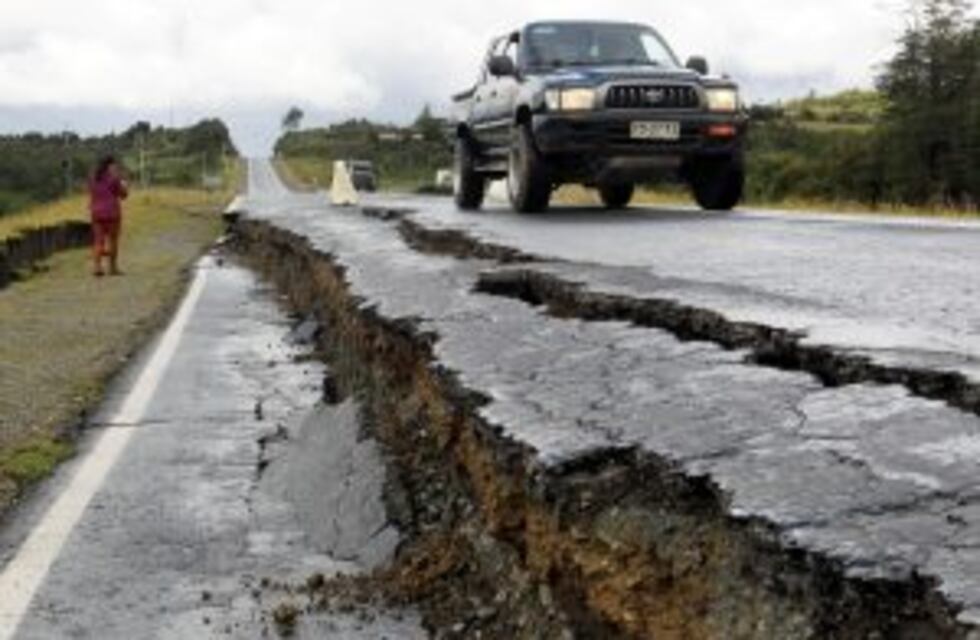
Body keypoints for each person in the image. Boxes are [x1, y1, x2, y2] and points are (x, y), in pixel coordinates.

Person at [88, 155, 128, 277]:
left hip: (96, 213)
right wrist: (124, 185)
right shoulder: (114, 178)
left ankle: (97, 267)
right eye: (114, 164)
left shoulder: (93, 178)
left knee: (98, 241)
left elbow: (92, 192)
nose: (116, 166)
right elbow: (123, 195)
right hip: (112, 213)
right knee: (113, 240)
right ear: (110, 165)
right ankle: (113, 268)